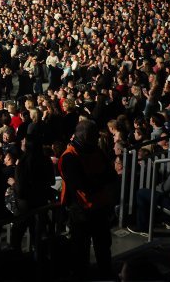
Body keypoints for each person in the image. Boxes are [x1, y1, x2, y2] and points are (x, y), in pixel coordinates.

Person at [58, 120, 117, 280]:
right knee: (81, 250)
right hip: (81, 211)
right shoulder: (69, 156)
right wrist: (100, 180)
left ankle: (105, 274)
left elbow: (111, 176)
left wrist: (96, 180)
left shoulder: (95, 151)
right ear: (85, 136)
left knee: (103, 247)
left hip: (99, 207)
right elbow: (81, 184)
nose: (98, 138)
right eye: (94, 135)